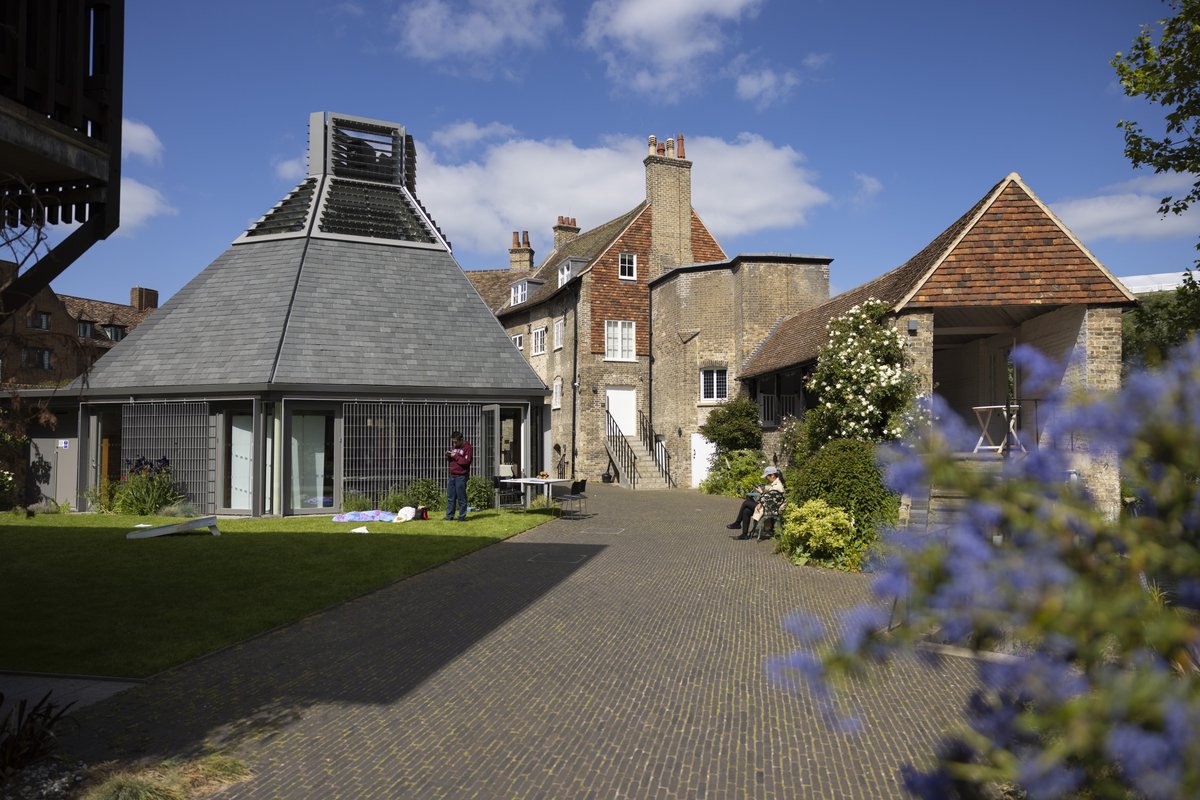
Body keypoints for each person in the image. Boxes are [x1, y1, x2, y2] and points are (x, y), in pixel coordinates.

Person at [728, 466, 785, 540]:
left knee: (746, 503)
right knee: (746, 511)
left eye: (767, 476)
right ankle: (744, 534)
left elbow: (768, 499)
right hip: (769, 507)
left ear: (772, 475)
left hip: (771, 509)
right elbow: (770, 498)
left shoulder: (777, 486)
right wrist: (761, 502)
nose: (766, 478)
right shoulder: (775, 484)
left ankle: (737, 523)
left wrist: (761, 493)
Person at [445, 431, 473, 521]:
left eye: (456, 442)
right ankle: (449, 516)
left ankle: (461, 517)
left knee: (461, 497)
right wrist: (449, 456)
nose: (454, 444)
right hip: (452, 475)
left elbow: (466, 462)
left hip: (461, 476)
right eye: (453, 442)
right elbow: (454, 460)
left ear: (461, 439)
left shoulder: (467, 447)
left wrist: (455, 456)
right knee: (451, 497)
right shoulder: (454, 447)